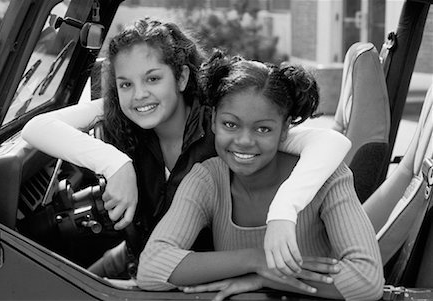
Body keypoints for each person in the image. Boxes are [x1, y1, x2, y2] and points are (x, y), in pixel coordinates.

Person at [21, 17, 351, 278]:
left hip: (209, 279)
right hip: (144, 267)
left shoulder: (222, 125)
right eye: (126, 84)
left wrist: (284, 211)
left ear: (180, 78)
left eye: (153, 79)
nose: (139, 95)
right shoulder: (121, 118)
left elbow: (332, 141)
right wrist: (114, 163)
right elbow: (36, 127)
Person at [136, 52, 384, 301]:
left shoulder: (329, 177)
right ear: (213, 121)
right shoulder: (207, 179)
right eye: (230, 125)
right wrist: (257, 259)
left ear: (285, 129)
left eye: (263, 128)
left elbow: (366, 281)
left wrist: (266, 278)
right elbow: (152, 268)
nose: (244, 141)